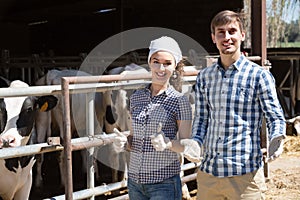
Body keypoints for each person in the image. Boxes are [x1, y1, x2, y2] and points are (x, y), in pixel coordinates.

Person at [190, 10, 286, 199]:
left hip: (245, 176)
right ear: (213, 38)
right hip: (209, 174)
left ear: (242, 35)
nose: (227, 37)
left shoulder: (259, 75)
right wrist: (194, 142)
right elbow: (201, 119)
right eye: (221, 32)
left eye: (232, 31)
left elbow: (275, 117)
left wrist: (278, 137)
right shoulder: (204, 77)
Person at [112, 36, 193, 200]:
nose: (160, 68)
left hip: (164, 183)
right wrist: (124, 142)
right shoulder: (136, 98)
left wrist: (168, 144)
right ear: (149, 63)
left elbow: (188, 145)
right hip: (135, 183)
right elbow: (135, 141)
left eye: (167, 63)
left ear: (175, 66)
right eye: (156, 61)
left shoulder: (180, 102)